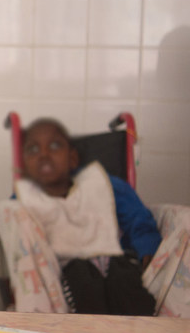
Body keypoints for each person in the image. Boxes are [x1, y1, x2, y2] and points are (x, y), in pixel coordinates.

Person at [14, 118, 159, 315]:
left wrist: (147, 246)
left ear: (72, 158)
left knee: (125, 280)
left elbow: (138, 218)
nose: (44, 155)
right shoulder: (23, 200)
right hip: (64, 269)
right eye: (33, 149)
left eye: (55, 146)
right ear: (25, 164)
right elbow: (15, 238)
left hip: (113, 261)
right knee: (82, 279)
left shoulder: (102, 184)